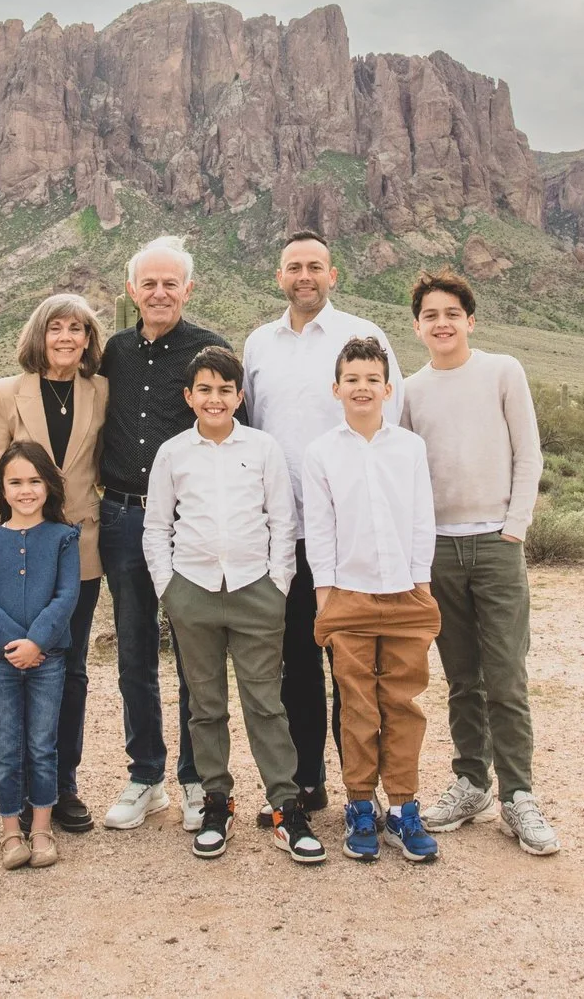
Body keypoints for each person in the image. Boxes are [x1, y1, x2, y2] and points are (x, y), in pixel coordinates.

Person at [238, 229, 405, 811]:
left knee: (357, 667)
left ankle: (366, 789)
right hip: (284, 533)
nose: (304, 276)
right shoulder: (258, 344)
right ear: (278, 276)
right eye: (293, 267)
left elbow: (392, 425)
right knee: (296, 664)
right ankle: (306, 781)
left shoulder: (364, 337)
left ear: (333, 276)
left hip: (351, 535)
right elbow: (251, 428)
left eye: (315, 266)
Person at [398, 271, 559, 857]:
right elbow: (407, 470)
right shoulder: (410, 390)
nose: (441, 323)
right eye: (430, 315)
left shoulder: (502, 371)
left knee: (506, 677)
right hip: (440, 547)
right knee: (462, 676)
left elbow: (529, 451)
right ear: (416, 326)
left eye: (452, 313)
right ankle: (472, 783)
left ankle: (519, 794)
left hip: (496, 542)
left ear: (471, 320)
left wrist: (515, 526)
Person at [143, 345, 324, 865]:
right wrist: (168, 589)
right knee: (205, 706)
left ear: (239, 396)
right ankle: (217, 802)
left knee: (266, 702)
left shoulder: (263, 448)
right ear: (189, 396)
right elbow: (157, 528)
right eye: (205, 389)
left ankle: (287, 808)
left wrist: (278, 586)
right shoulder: (173, 453)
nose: (215, 398)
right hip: (193, 591)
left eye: (225, 390)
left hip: (254, 591)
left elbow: (282, 523)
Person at [94, 235, 228, 833]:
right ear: (131, 291)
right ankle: (145, 775)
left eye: (170, 282)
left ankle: (197, 781)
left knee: (195, 655)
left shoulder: (210, 352)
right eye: (148, 283)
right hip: (123, 519)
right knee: (134, 652)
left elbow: (232, 436)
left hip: (188, 524)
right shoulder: (114, 352)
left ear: (188, 289)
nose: (159, 292)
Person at [303, 336, 440, 864]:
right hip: (348, 597)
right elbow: (320, 528)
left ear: (388, 388)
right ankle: (361, 803)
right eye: (352, 379)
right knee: (357, 706)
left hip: (406, 594)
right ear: (336, 389)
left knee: (403, 704)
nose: (362, 388)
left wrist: (421, 585)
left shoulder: (409, 447)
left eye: (371, 380)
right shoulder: (322, 452)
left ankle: (404, 806)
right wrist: (325, 598)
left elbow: (421, 518)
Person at [0, 293, 108, 834]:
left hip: (80, 548)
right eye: (56, 328)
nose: (67, 338)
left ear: (88, 339)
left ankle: (62, 785)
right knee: (15, 663)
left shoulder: (100, 390)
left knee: (68, 669)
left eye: (77, 329)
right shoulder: (5, 394)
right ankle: (21, 791)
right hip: (15, 554)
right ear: (40, 334)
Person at [0, 442, 84, 871]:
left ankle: (40, 828)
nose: (26, 490)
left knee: (41, 743)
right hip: (0, 662)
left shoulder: (62, 538)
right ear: (2, 488)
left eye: (34, 481)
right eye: (15, 482)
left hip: (49, 658)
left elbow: (66, 595)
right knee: (8, 745)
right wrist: (13, 644)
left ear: (49, 486)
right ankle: (10, 833)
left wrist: (36, 642)